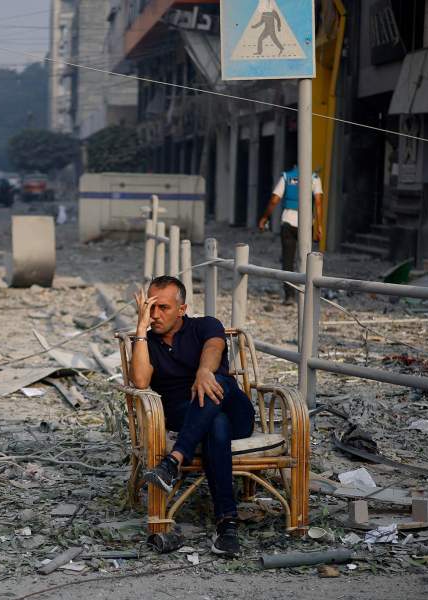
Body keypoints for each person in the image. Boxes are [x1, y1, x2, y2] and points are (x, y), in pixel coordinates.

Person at [133, 276, 255, 556]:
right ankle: (227, 526)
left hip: (235, 411)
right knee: (215, 423)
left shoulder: (205, 325)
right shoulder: (147, 342)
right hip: (188, 416)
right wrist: (140, 329)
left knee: (216, 383)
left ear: (182, 309)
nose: (155, 314)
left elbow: (214, 348)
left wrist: (204, 371)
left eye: (163, 307)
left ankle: (174, 461)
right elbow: (140, 381)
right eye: (151, 307)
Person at [257, 165, 324, 304]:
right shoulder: (314, 178)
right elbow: (318, 202)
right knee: (306, 260)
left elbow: (274, 200)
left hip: (288, 222)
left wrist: (264, 218)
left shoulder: (286, 177)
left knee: (288, 261)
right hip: (306, 225)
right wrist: (319, 226)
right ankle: (307, 295)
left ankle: (289, 296)